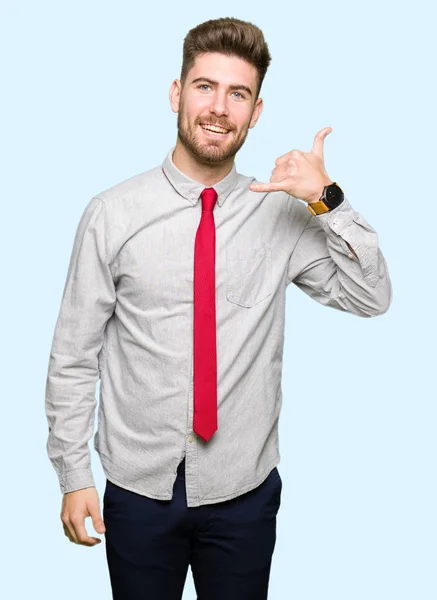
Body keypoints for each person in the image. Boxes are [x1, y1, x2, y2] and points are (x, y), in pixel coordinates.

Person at [44, 16, 392, 600]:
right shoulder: (112, 214)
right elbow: (74, 354)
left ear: (255, 112)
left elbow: (371, 296)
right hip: (137, 490)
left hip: (243, 491)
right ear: (177, 94)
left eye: (238, 94)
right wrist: (73, 474)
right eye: (205, 86)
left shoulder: (281, 215)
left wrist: (327, 201)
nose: (219, 108)